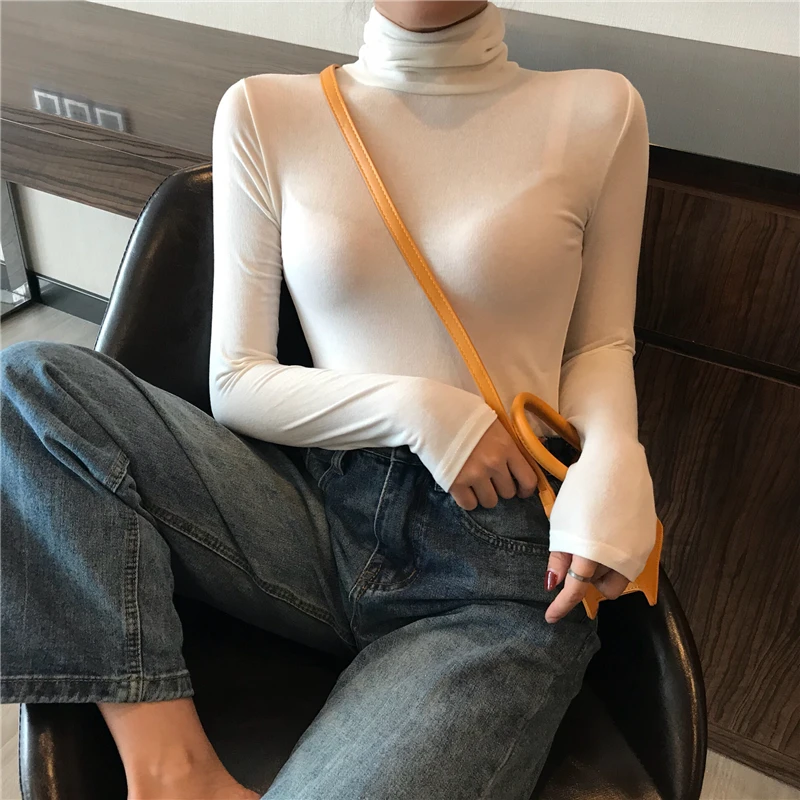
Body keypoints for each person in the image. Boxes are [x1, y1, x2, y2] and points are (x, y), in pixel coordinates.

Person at [0, 1, 658, 797]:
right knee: (31, 384)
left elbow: (599, 344)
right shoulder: (265, 110)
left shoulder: (601, 110)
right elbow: (237, 382)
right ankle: (174, 770)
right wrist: (423, 410)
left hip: (492, 561)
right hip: (313, 508)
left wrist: (615, 455)